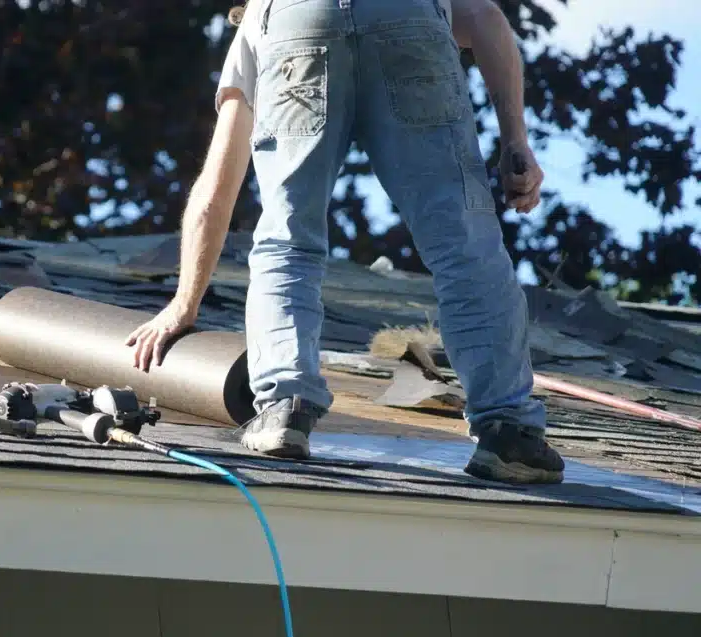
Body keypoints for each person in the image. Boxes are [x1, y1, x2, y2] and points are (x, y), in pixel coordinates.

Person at [125, 0, 566, 485]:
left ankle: (284, 408)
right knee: (466, 246)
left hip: (295, 20)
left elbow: (217, 187)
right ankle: (508, 431)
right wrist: (515, 139)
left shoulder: (256, 20)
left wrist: (184, 304)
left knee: (288, 240)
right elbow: (484, 16)